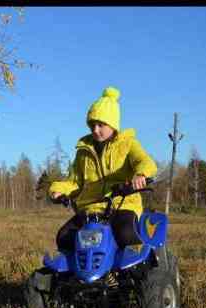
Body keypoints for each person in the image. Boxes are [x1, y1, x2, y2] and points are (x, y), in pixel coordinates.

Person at [49, 86, 157, 253]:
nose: (95, 130)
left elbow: (144, 161)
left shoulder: (128, 144)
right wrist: (58, 190)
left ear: (113, 124)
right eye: (92, 125)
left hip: (121, 205)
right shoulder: (83, 152)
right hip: (90, 209)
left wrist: (140, 174)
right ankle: (70, 277)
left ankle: (138, 272)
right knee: (64, 237)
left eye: (100, 125)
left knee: (126, 233)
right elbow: (74, 181)